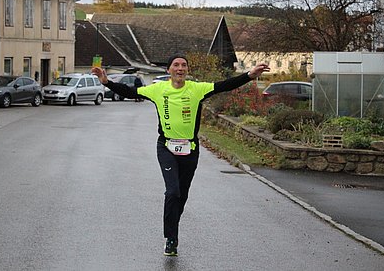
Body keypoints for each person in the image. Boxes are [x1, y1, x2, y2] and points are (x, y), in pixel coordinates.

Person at [92, 54, 269, 256]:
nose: (180, 68)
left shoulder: (197, 89)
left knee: (182, 196)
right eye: (176, 65)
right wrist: (107, 82)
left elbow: (224, 85)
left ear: (187, 70)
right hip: (166, 147)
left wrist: (249, 75)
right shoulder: (158, 90)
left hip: (190, 149)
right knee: (173, 192)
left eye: (184, 65)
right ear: (169, 70)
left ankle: (173, 228)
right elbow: (131, 91)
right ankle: (171, 238)